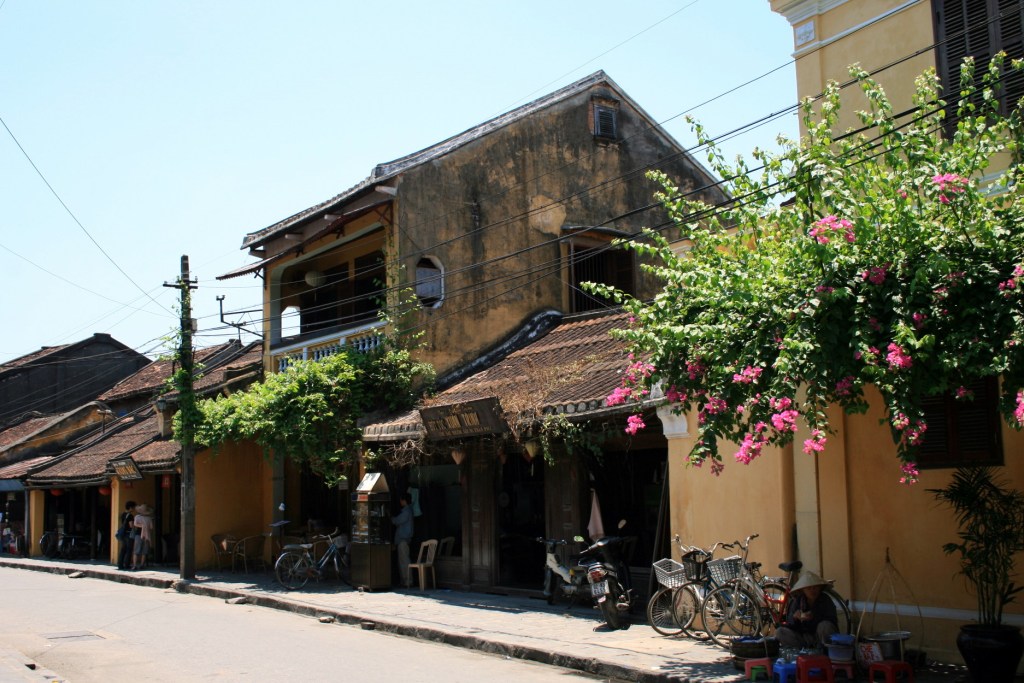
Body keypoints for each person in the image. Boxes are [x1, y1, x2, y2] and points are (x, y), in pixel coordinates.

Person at [776, 571, 838, 649]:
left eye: (815, 587)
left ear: (820, 588)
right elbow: (790, 624)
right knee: (780, 632)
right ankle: (803, 652)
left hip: (820, 637)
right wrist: (795, 617)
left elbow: (832, 619)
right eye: (809, 588)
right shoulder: (797, 601)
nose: (812, 590)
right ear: (803, 590)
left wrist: (814, 617)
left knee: (825, 626)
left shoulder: (825, 599)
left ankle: (824, 652)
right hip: (803, 638)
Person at [391, 493, 414, 589]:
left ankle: (408, 581)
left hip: (403, 540)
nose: (400, 502)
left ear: (404, 500)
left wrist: (391, 517)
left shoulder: (406, 511)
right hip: (403, 539)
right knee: (402, 561)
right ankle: (404, 581)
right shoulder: (408, 511)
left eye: (401, 500)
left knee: (404, 561)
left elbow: (397, 521)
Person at [131, 503, 155, 571]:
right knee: (144, 551)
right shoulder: (149, 518)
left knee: (136, 550)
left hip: (138, 535)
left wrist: (142, 526)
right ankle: (142, 565)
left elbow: (135, 524)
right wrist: (145, 527)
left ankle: (135, 565)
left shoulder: (137, 517)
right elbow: (151, 527)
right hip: (146, 535)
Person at [116, 500, 136, 570]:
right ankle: (127, 564)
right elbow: (131, 525)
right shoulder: (130, 515)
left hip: (123, 534)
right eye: (133, 507)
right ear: (130, 507)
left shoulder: (123, 514)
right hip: (129, 534)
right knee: (129, 550)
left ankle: (120, 564)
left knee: (123, 549)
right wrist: (135, 527)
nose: (134, 509)